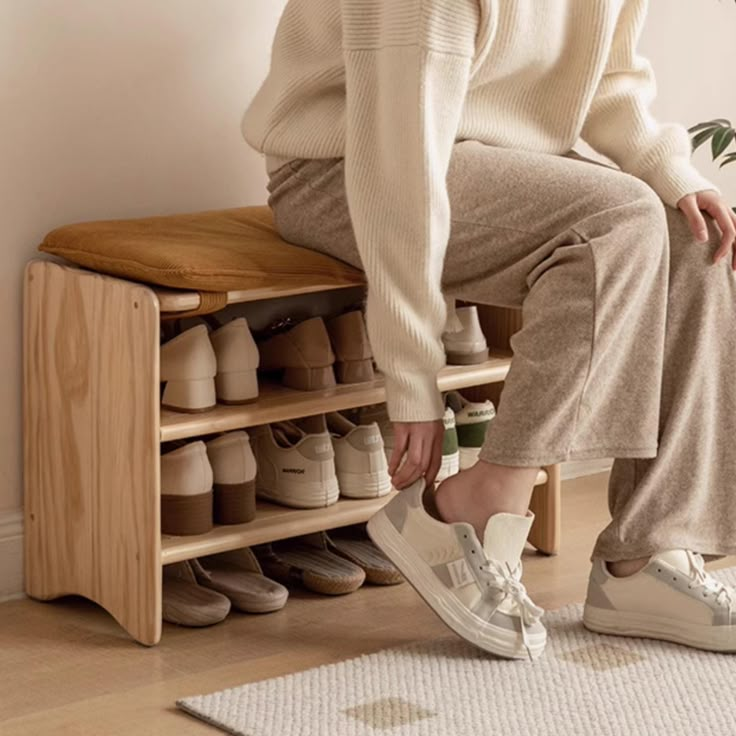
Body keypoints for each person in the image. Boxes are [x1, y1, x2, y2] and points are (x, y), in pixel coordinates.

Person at [243, 0, 736, 659]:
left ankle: (647, 553)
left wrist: (669, 170)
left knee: (695, 236)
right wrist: (413, 376)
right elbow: (399, 171)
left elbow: (608, 78)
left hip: (491, 158)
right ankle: (478, 500)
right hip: (342, 164)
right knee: (616, 220)